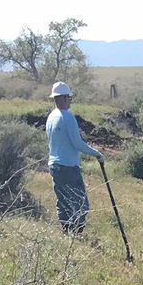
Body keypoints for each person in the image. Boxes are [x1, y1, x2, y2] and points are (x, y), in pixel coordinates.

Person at [46, 81, 103, 234]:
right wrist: (97, 154)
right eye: (69, 98)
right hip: (68, 167)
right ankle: (76, 235)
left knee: (63, 200)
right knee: (80, 202)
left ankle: (66, 233)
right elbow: (77, 143)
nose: (70, 101)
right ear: (64, 98)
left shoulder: (51, 117)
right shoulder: (68, 117)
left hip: (54, 165)